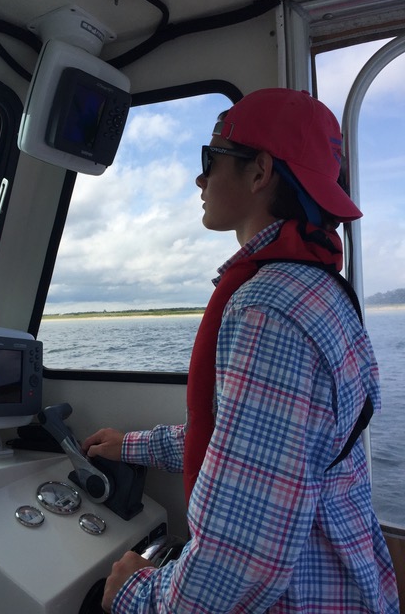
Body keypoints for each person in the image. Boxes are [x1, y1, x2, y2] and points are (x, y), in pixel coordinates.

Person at [83, 88, 400, 613]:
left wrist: (136, 592)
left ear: (259, 173)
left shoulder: (267, 312)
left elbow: (239, 565)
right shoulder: (318, 292)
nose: (199, 179)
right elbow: (253, 440)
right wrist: (131, 445)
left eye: (210, 160)